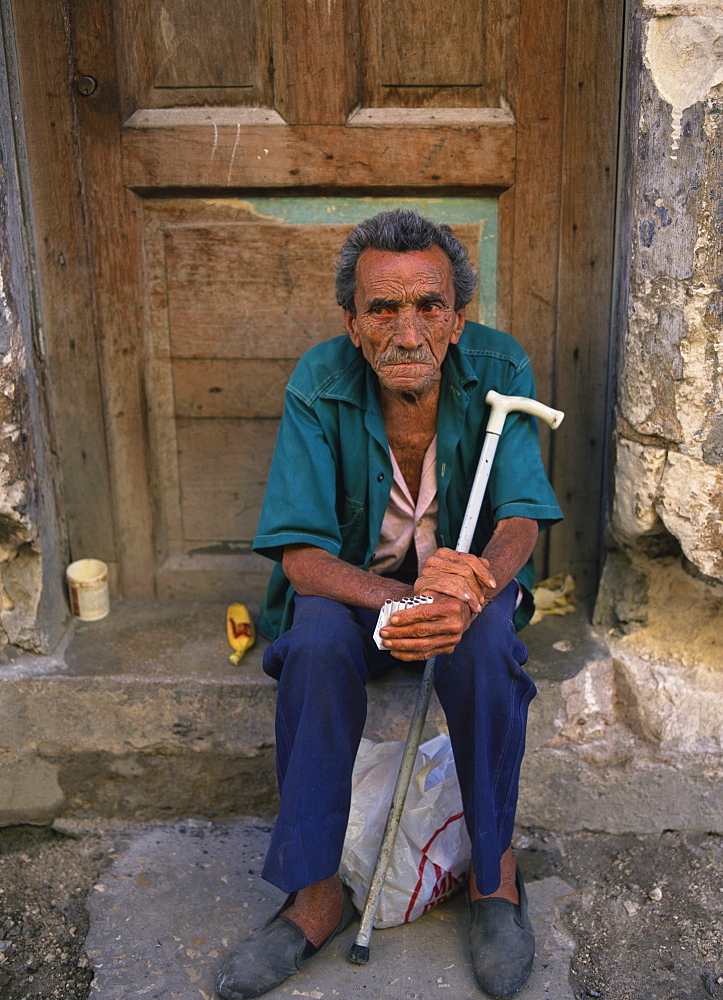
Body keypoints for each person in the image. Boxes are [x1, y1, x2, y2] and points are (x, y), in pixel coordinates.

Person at [216, 210, 563, 1000]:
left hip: (459, 594)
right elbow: (301, 556)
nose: (407, 333)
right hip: (357, 591)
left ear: (457, 316)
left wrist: (471, 590)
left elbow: (520, 518)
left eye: (428, 307)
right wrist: (407, 600)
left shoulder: (500, 366)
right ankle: (315, 893)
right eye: (382, 310)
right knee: (312, 645)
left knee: (486, 649)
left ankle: (494, 874)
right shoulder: (318, 379)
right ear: (351, 322)